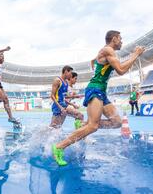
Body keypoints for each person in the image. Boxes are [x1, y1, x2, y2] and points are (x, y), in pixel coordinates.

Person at [52, 30, 145, 166]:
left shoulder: (105, 52)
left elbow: (96, 62)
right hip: (95, 89)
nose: (122, 41)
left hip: (101, 91)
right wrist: (135, 54)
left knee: (116, 122)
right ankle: (59, 147)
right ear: (114, 39)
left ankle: (83, 125)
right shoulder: (108, 50)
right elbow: (120, 70)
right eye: (120, 39)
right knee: (93, 126)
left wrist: (94, 62)